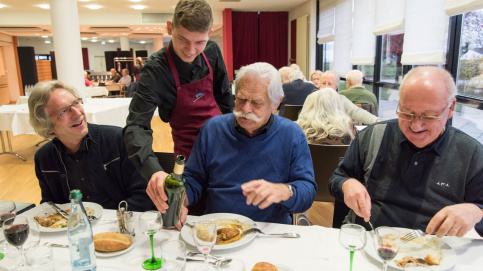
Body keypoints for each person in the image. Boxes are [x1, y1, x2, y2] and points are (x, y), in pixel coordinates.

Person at [147, 62, 317, 226]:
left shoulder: (292, 134)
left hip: (269, 230)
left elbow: (307, 191)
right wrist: (179, 201)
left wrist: (285, 191)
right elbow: (194, 179)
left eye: (257, 103)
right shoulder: (213, 129)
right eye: (241, 99)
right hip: (217, 228)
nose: (245, 109)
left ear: (276, 103)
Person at [329, 66, 483, 237]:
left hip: (435, 253)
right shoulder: (374, 136)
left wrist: (476, 211)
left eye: (429, 116)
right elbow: (338, 178)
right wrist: (346, 184)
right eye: (406, 113)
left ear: (451, 107)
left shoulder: (471, 154)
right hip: (368, 241)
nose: (415, 126)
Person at [123, 0, 234, 188]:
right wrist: (154, 171)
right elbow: (136, 126)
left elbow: (225, 99)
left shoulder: (212, 50)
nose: (191, 51)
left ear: (209, 33)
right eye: (183, 39)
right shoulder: (155, 71)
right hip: (188, 158)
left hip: (223, 147)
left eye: (200, 42)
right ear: (169, 28)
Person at [28, 81, 154, 211]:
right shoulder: (44, 158)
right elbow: (50, 206)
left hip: (121, 225)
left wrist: (110, 222)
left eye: (76, 103)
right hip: (74, 229)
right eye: (63, 111)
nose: (78, 113)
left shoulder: (117, 141)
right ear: (47, 126)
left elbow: (143, 195)